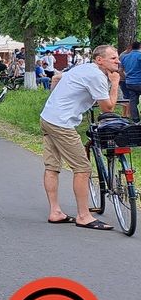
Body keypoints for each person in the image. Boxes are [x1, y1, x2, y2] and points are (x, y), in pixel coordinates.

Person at [39, 44, 120, 230]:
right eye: (113, 58)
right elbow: (107, 108)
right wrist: (115, 83)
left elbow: (58, 77)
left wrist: (62, 99)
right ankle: (84, 216)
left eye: (117, 57)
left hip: (48, 116)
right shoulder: (97, 75)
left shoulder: (84, 68)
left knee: (52, 166)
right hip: (62, 123)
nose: (118, 61)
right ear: (99, 60)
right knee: (82, 168)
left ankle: (55, 211)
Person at [120, 41, 141, 121]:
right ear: (140, 47)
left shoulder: (124, 57)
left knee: (132, 101)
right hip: (139, 81)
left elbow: (120, 70)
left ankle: (135, 120)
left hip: (130, 83)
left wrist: (126, 78)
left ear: (131, 47)